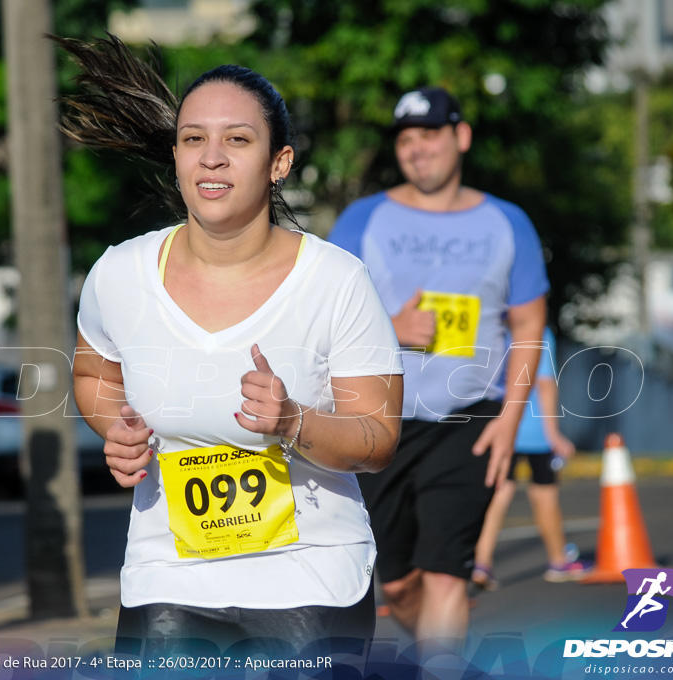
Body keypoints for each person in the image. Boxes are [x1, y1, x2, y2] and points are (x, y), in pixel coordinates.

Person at [58, 35, 404, 656]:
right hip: (167, 572)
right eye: (194, 139)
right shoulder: (119, 274)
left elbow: (378, 436)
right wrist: (120, 427)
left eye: (238, 140)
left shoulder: (336, 280)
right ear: (175, 156)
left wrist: (293, 420)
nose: (211, 158)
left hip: (309, 576)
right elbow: (93, 377)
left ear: (280, 162)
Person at [328, 87, 548, 653]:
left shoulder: (508, 222)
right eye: (406, 139)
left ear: (461, 136)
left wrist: (510, 420)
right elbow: (321, 319)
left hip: (469, 419)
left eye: (430, 135)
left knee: (448, 573)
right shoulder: (363, 219)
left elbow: (528, 327)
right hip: (380, 422)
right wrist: (390, 331)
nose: (418, 149)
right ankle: (436, 653)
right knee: (399, 585)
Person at [471, 327, 587, 590]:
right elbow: (544, 383)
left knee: (498, 496)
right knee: (544, 494)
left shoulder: (494, 330)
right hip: (534, 430)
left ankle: (481, 563)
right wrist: (554, 433)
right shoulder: (538, 332)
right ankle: (559, 561)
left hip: (500, 425)